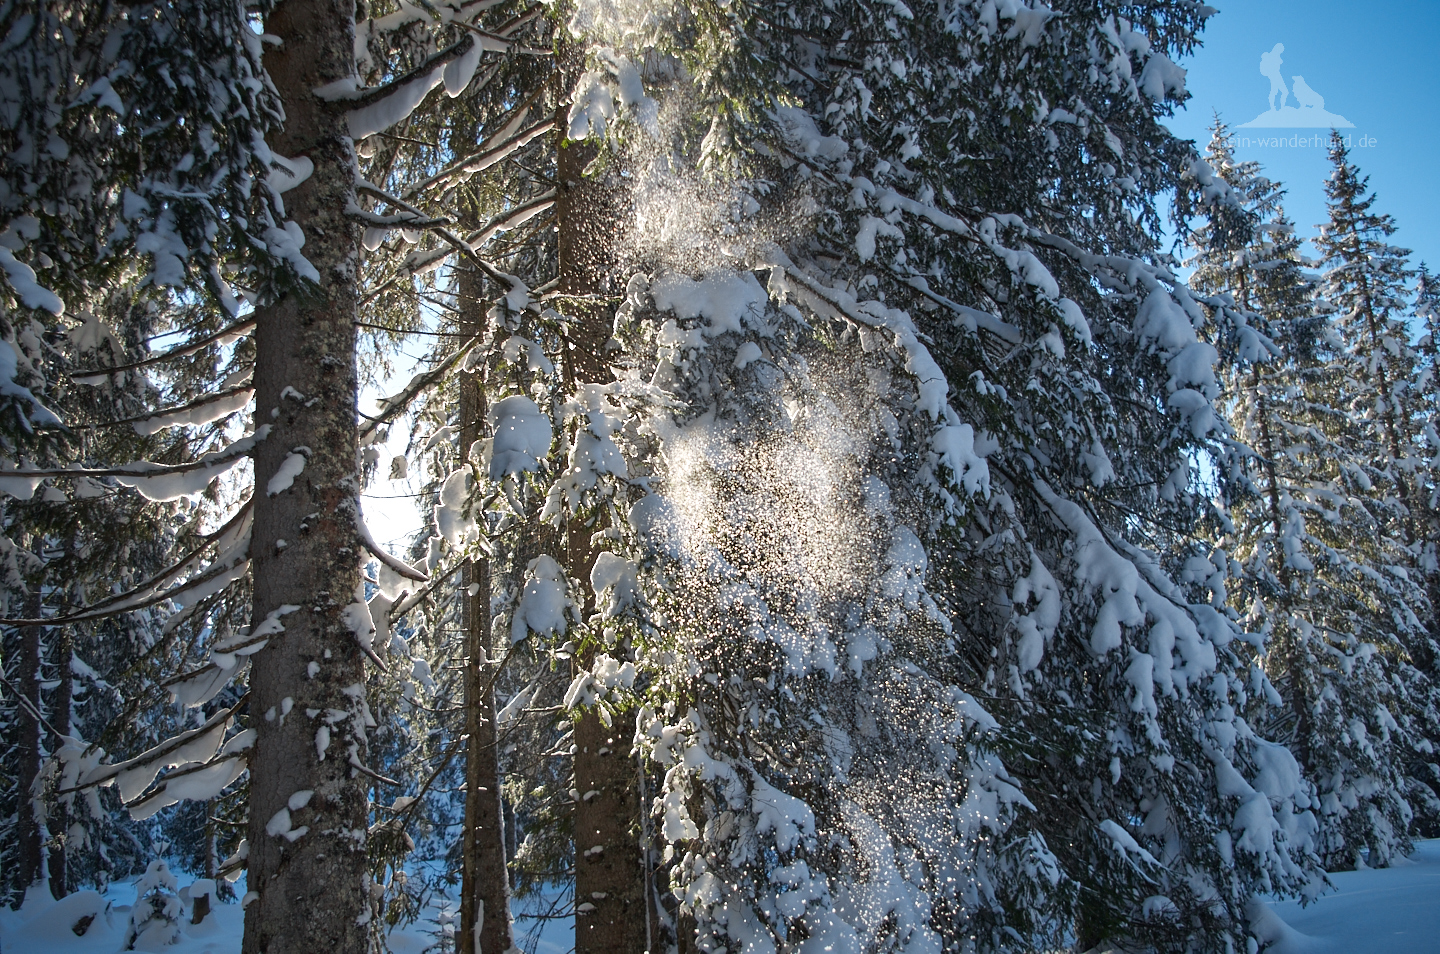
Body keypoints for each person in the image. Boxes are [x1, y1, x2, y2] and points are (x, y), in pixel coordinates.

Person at [1261, 43, 1288, 112]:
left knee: (1282, 91)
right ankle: (1274, 107)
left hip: (1277, 75)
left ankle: (1280, 107)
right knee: (1276, 91)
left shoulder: (1276, 56)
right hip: (1274, 76)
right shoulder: (1271, 56)